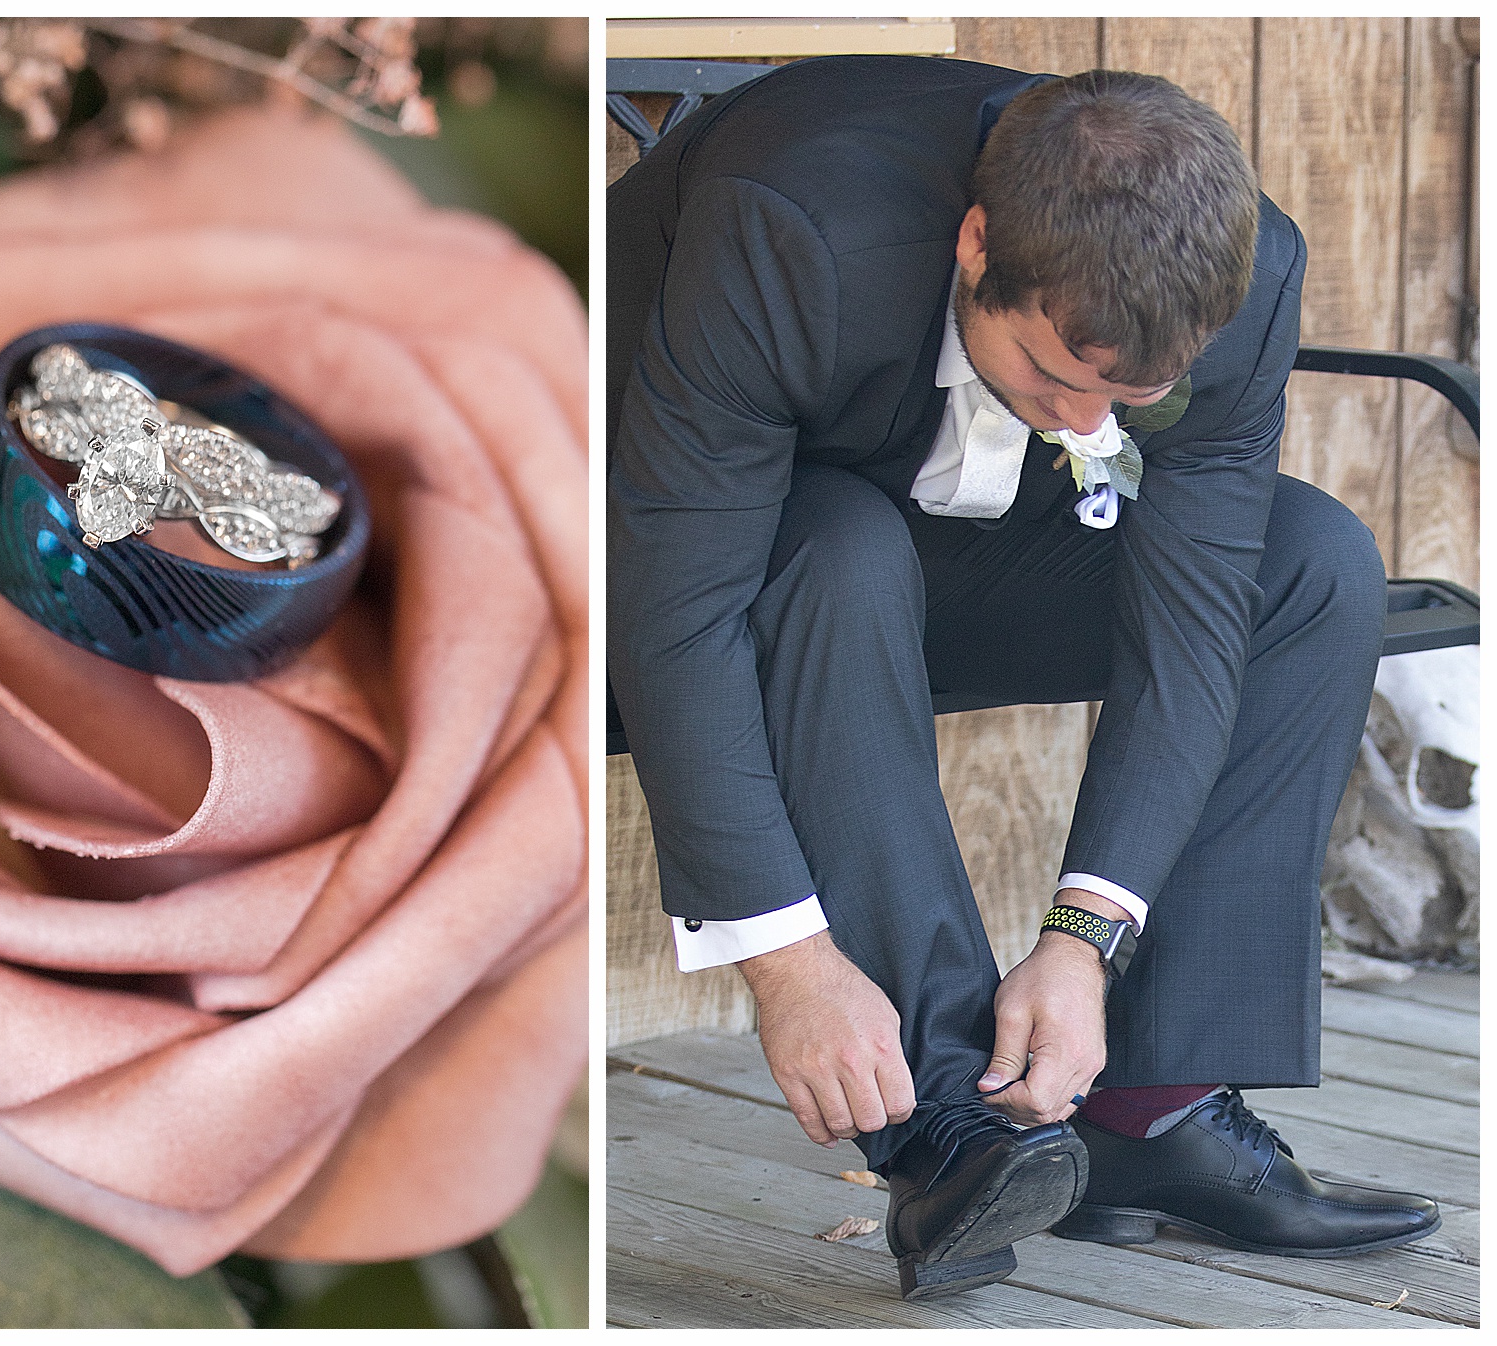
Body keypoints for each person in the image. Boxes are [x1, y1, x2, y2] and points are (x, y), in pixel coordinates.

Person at [608, 56, 1439, 1301]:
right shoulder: (793, 226)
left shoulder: (1246, 274)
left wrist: (1082, 938)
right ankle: (956, 1121)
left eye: (1132, 397)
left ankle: (1145, 1113)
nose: (1087, 426)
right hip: (678, 570)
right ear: (978, 240)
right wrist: (789, 960)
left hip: (951, 559)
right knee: (839, 542)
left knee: (1308, 559)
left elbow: (1196, 617)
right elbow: (677, 614)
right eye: (1056, 374)